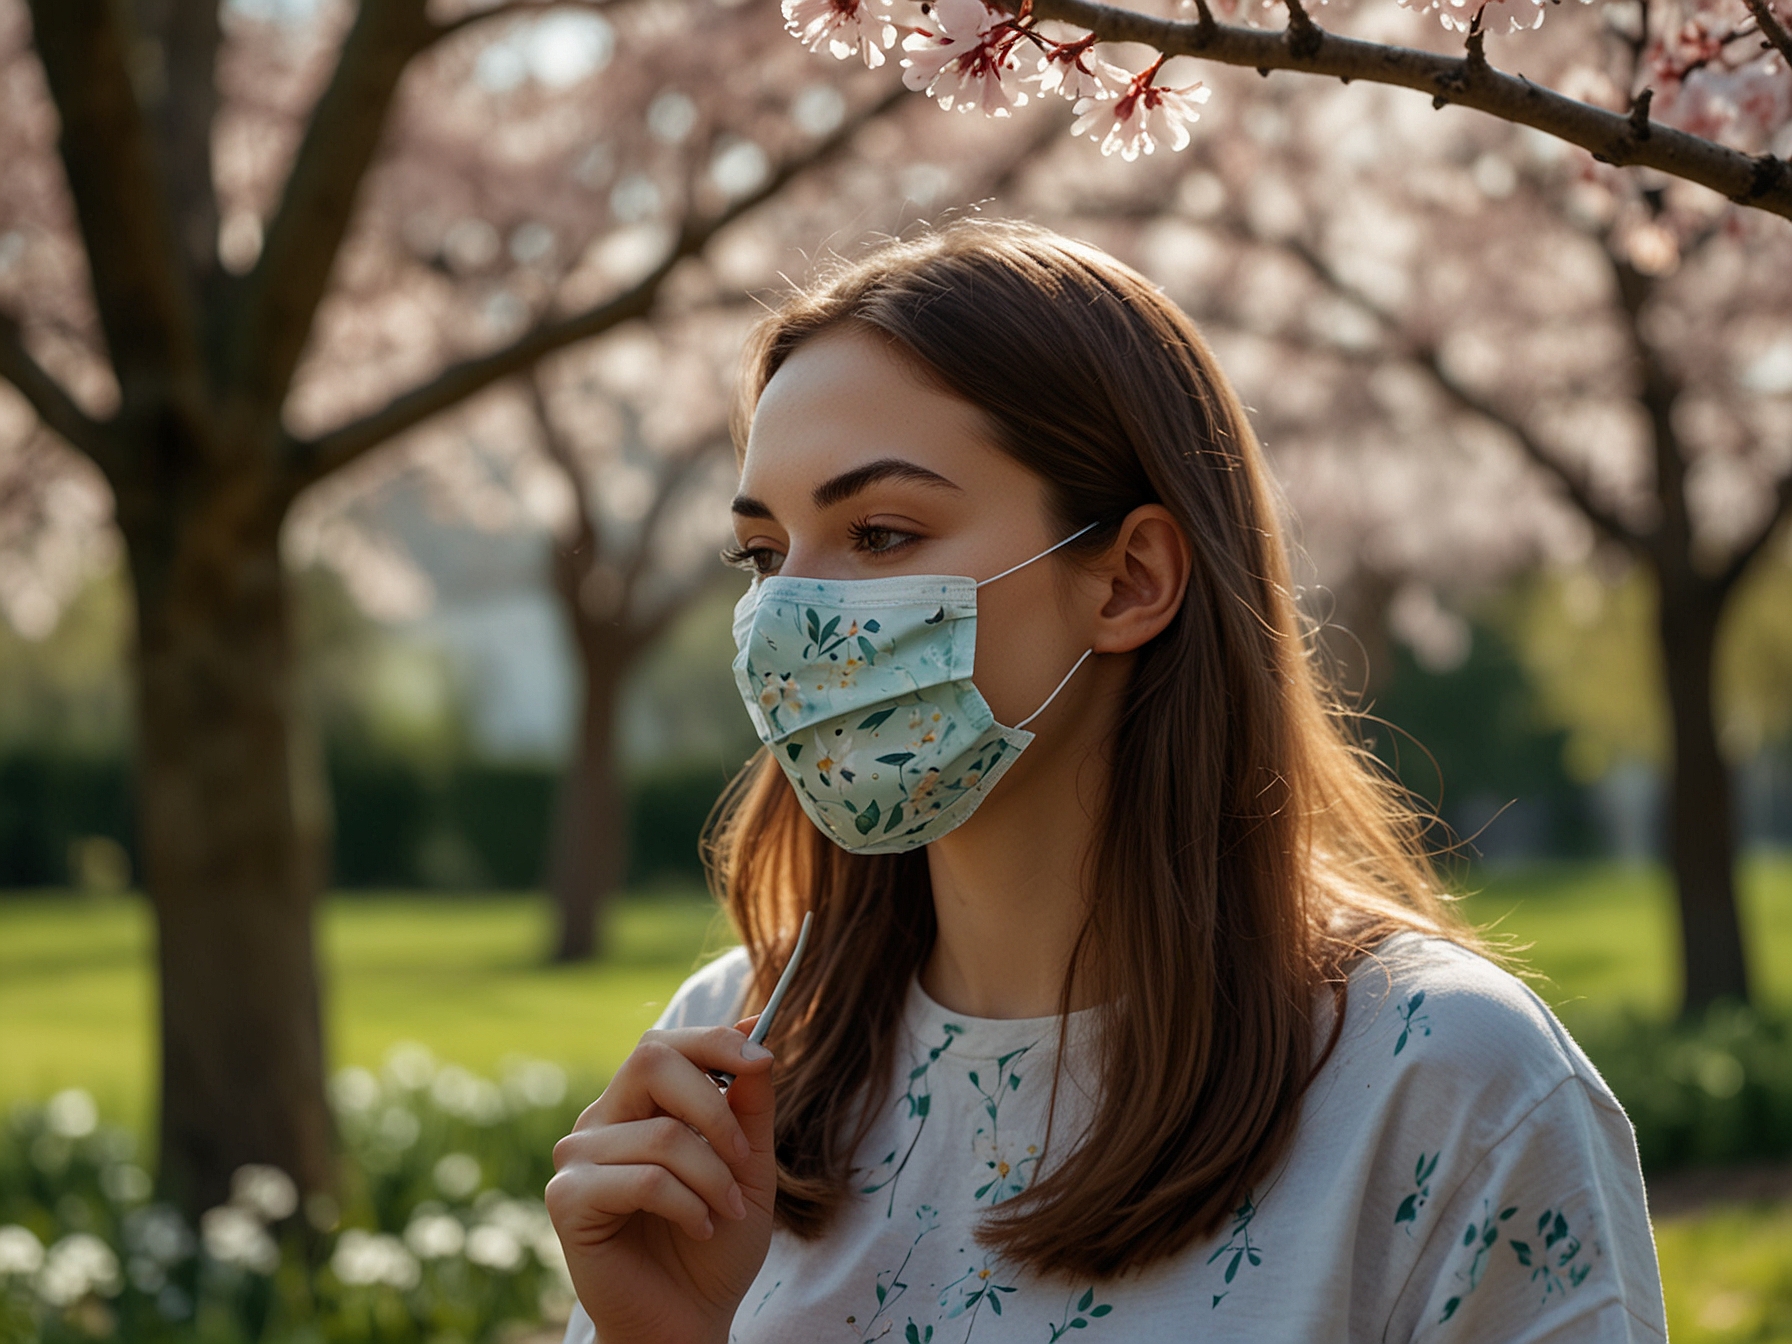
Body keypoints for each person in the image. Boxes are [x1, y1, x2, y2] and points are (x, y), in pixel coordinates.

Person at [546, 218, 1668, 1343]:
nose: (788, 615)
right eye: (762, 554)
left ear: (1129, 579)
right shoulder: (731, 1061)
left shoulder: (1444, 1087)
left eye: (881, 534)